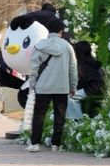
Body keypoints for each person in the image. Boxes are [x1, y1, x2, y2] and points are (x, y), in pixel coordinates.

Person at [26, 18, 77, 153]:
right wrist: (73, 86)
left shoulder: (39, 46)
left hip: (43, 87)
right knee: (60, 116)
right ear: (61, 31)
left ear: (48, 30)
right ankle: (56, 144)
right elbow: (73, 68)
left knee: (39, 115)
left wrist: (32, 86)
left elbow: (34, 69)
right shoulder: (67, 47)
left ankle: (35, 143)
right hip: (62, 87)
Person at [67, 41, 105, 119]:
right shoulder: (90, 61)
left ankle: (77, 119)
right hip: (93, 89)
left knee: (69, 97)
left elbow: (83, 81)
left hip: (90, 90)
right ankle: (73, 119)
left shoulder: (85, 63)